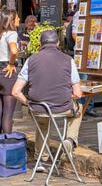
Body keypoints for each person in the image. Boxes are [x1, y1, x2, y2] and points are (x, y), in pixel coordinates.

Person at [12, 29, 82, 172]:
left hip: (38, 108)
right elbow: (78, 93)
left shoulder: (31, 60)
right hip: (62, 108)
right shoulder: (68, 60)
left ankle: (40, 159)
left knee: (42, 124)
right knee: (79, 108)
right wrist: (69, 95)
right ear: (58, 43)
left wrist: (27, 103)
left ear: (40, 43)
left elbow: (15, 92)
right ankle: (69, 140)